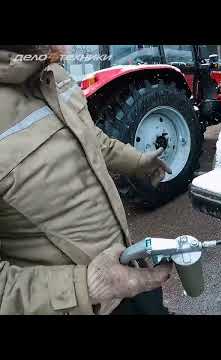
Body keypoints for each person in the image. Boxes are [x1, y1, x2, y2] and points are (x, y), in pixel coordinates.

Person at [0, 45, 174, 315]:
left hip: (126, 268)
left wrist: (137, 161)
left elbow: (90, 138)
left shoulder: (52, 72)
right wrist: (85, 287)